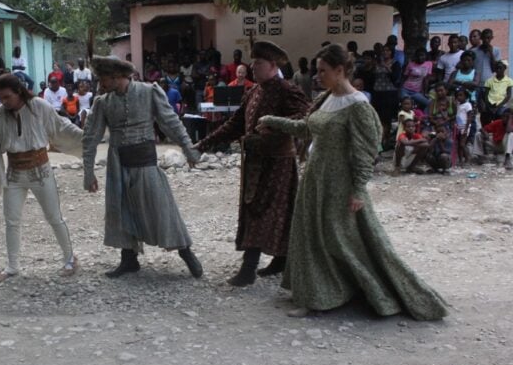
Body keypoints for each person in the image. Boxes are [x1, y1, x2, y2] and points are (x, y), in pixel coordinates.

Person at [257, 43, 448, 320]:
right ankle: (315, 295)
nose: (317, 76)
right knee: (311, 236)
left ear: (339, 70)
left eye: (323, 71)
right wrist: (274, 121)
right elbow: (306, 128)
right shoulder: (325, 98)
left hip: (339, 182)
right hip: (315, 178)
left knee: (339, 240)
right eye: (317, 70)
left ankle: (373, 289)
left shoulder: (358, 105)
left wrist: (358, 189)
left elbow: (365, 150)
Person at [195, 41, 310, 285]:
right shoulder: (253, 92)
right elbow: (234, 124)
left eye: (258, 63)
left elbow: (306, 116)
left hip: (278, 163)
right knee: (263, 210)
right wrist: (204, 143)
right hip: (255, 162)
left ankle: (249, 268)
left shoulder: (287, 90)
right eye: (252, 62)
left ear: (272, 65)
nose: (252, 67)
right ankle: (282, 259)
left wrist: (274, 125)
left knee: (267, 211)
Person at [82, 55, 203, 279]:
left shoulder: (149, 92)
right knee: (121, 209)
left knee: (161, 208)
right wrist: (88, 172)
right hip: (118, 164)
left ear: (117, 76)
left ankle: (186, 252)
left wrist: (188, 149)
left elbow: (171, 122)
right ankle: (129, 259)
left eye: (104, 79)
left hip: (146, 160)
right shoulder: (102, 102)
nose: (100, 85)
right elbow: (90, 138)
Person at [0, 73, 83, 281]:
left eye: (7, 97)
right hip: (14, 174)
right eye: (1, 98)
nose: (3, 102)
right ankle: (12, 266)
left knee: (54, 217)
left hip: (41, 171)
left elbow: (61, 127)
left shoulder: (40, 106)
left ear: (18, 92)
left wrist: (86, 138)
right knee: (11, 220)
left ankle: (69, 258)